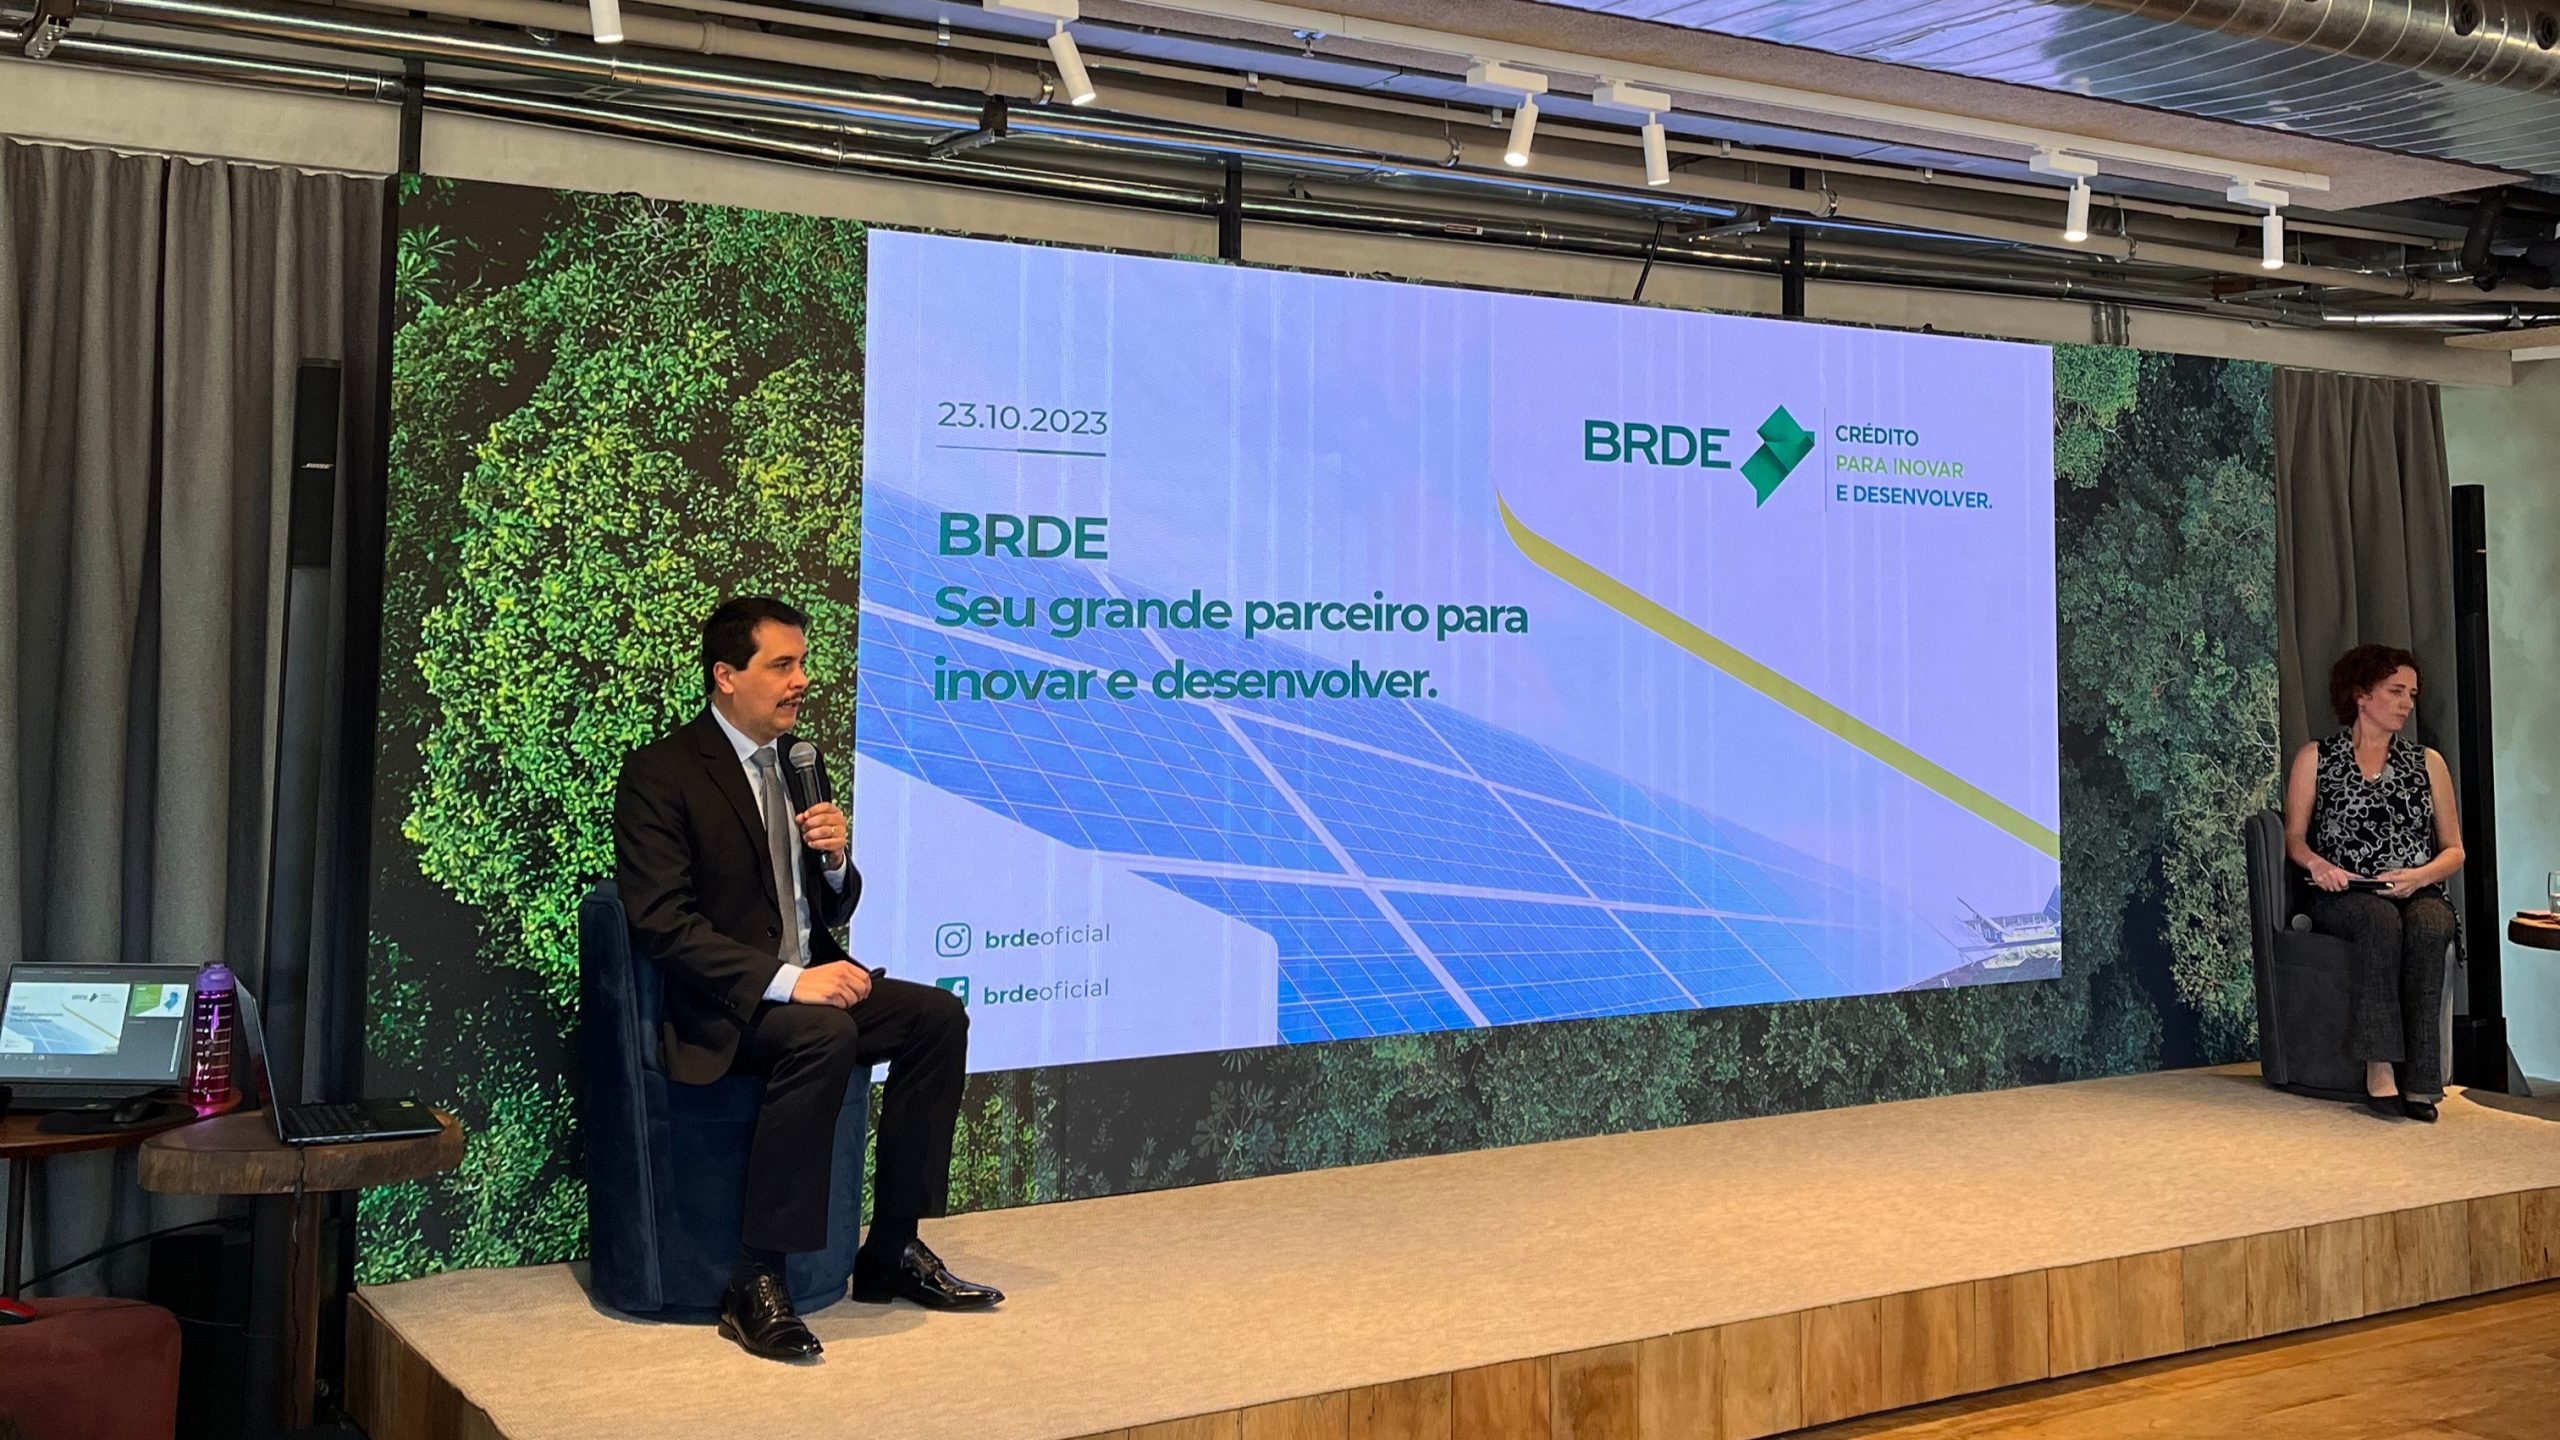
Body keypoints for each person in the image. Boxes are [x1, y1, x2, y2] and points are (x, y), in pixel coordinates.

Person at [614, 596, 1001, 1361]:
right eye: (782, 665)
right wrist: (790, 983)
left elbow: (833, 906)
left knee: (937, 1017)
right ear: (726, 675)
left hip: (807, 986)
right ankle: (756, 1280)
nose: (801, 681)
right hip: (723, 1006)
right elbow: (661, 922)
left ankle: (891, 1248)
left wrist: (833, 860)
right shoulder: (661, 773)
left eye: (803, 664)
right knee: (824, 1032)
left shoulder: (800, 763)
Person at [2281, 644, 2466, 1123]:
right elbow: (2294, 838)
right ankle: (2378, 1066)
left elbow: (2454, 851)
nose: (2407, 703)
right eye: (2395, 691)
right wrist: (2319, 865)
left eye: (2412, 694)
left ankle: (2422, 1080)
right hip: (2343, 893)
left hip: (2416, 888)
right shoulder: (2316, 758)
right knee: (2379, 921)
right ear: (2361, 695)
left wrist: (2419, 877)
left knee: (2430, 925)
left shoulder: (2427, 763)